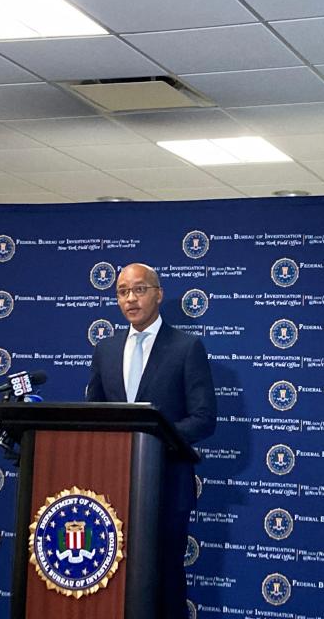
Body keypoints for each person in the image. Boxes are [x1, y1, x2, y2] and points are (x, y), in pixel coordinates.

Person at [86, 263, 216, 618]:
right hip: (110, 486)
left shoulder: (187, 347)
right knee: (111, 574)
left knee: (164, 577)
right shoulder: (106, 349)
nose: (130, 298)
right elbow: (93, 413)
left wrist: (156, 436)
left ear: (158, 294)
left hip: (167, 484)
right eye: (122, 291)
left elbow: (204, 419)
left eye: (139, 289)